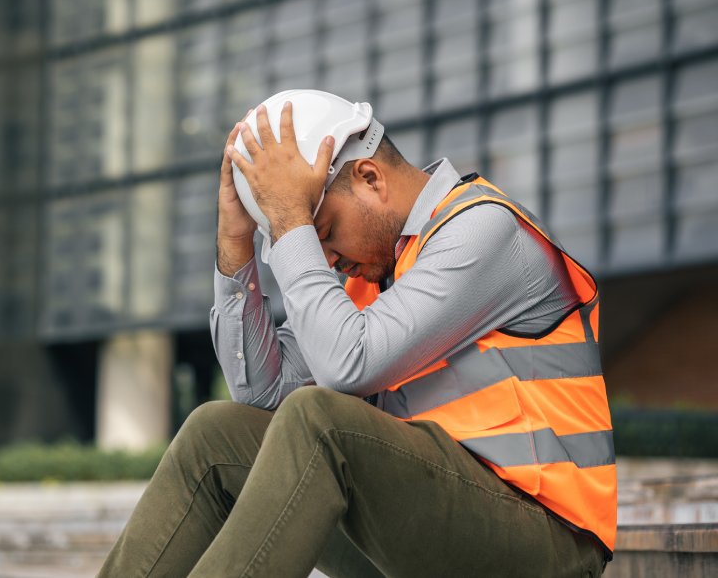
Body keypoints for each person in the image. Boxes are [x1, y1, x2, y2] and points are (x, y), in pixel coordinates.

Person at [99, 91, 615, 577]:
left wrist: (288, 223)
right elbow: (262, 396)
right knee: (214, 434)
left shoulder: (483, 230)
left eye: (321, 231)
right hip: (431, 525)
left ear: (370, 178)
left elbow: (351, 366)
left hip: (546, 539)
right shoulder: (368, 280)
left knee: (319, 420)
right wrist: (237, 243)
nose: (320, 258)